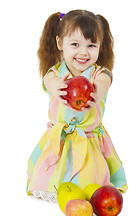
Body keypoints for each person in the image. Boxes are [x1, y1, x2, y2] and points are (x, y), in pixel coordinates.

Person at [26, 10, 128, 203]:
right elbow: (49, 81)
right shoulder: (55, 73)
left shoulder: (100, 73)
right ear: (60, 44)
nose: (84, 52)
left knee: (89, 182)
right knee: (49, 175)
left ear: (99, 46)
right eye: (75, 44)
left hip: (88, 141)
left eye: (91, 45)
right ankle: (56, 188)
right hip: (60, 140)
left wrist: (98, 91)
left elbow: (105, 81)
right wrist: (57, 87)